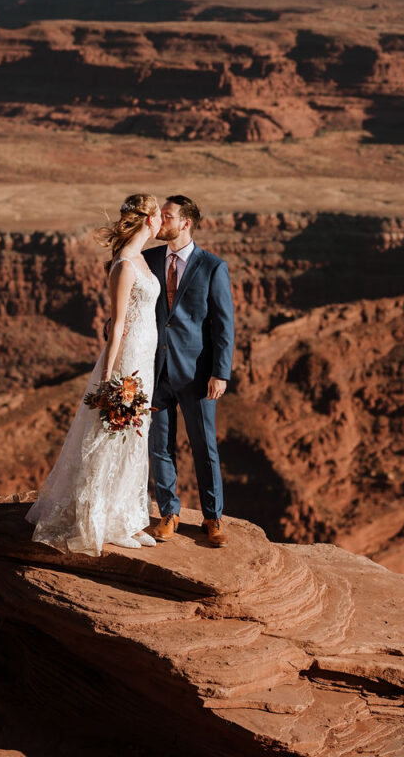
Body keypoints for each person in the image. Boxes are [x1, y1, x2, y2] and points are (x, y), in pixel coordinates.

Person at [25, 193, 162, 553]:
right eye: (160, 213)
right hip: (128, 359)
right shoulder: (125, 265)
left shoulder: (142, 261)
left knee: (136, 436)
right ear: (149, 220)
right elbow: (117, 326)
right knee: (115, 434)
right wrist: (109, 376)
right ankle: (103, 521)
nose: (163, 219)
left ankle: (128, 518)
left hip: (146, 357)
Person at [145, 195, 235, 547]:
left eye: (166, 216)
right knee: (160, 445)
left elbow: (222, 326)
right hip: (155, 370)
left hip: (197, 375)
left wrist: (220, 372)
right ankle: (169, 513)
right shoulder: (149, 259)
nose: (159, 222)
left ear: (185, 223)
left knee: (203, 447)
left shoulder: (212, 267)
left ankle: (212, 519)